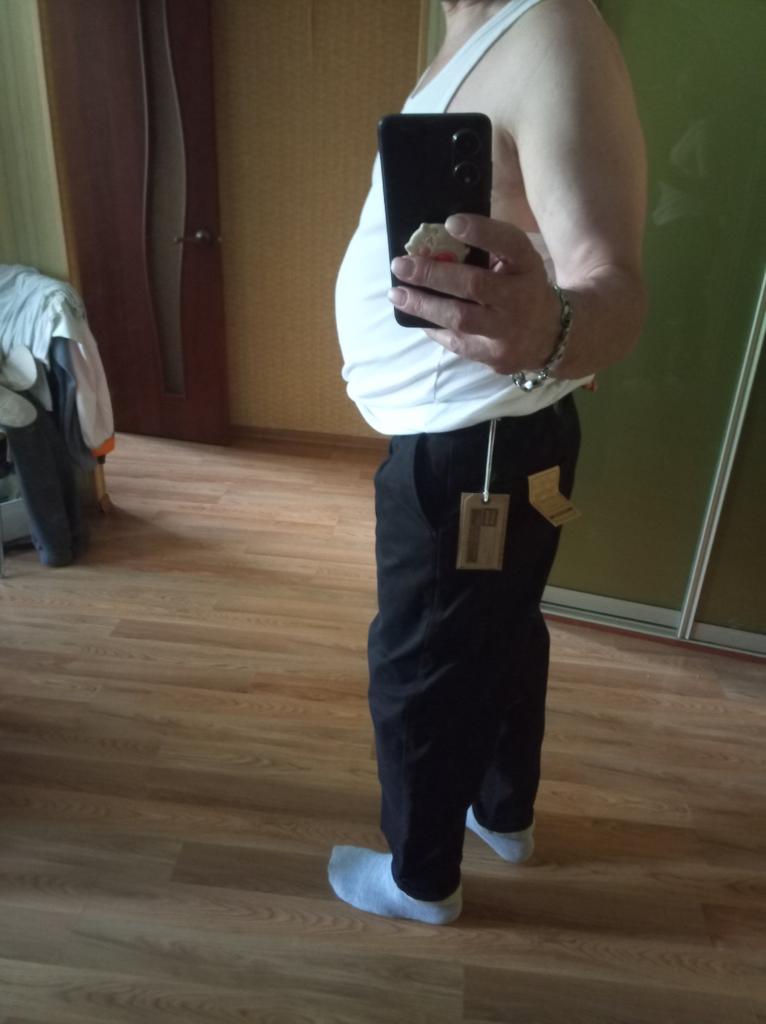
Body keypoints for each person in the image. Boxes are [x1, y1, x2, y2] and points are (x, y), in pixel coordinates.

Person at [330, 0, 646, 925]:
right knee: (502, 631)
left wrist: (553, 328)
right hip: (486, 437)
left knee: (421, 661)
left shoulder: (552, 28)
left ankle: (420, 879)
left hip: (474, 442)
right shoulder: (463, 28)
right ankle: (502, 815)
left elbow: (615, 287)